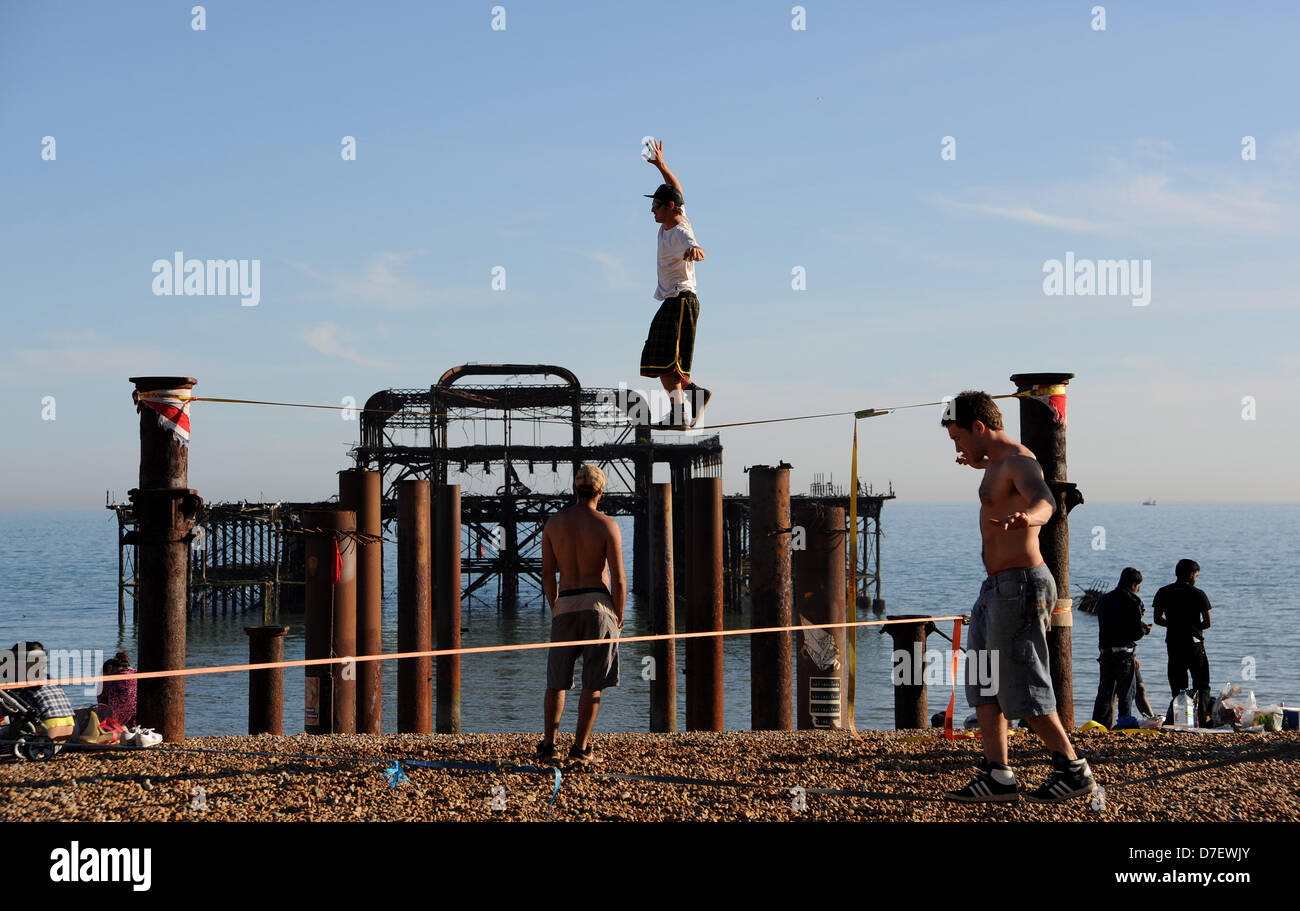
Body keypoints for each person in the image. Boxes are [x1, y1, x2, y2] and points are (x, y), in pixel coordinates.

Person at [941, 391, 1096, 802]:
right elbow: (985, 466)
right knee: (984, 678)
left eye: (958, 438)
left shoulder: (1019, 462)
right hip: (995, 587)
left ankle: (1072, 768)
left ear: (979, 427)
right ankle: (998, 774)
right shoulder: (993, 462)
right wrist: (973, 460)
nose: (957, 448)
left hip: (1021, 584)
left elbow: (1044, 497)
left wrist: (1032, 517)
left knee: (1022, 682)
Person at [536, 465, 626, 764]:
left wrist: (555, 606)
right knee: (593, 682)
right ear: (601, 491)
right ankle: (581, 747)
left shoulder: (553, 524)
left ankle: (549, 745)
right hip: (598, 605)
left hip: (566, 604)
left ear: (575, 489)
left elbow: (548, 575)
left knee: (556, 681)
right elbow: (619, 578)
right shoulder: (606, 525)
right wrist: (619, 615)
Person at [640, 139, 710, 429]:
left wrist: (696, 252)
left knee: (667, 361)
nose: (652, 211)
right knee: (656, 359)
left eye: (656, 205)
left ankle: (681, 412)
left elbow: (699, 249)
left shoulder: (681, 231)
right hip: (671, 301)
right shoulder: (670, 219)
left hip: (682, 300)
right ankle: (692, 396)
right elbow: (676, 187)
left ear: (670, 207)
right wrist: (662, 166)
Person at [1153, 558, 1213, 724]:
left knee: (1178, 684)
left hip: (1173, 642)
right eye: (1197, 575)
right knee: (1201, 683)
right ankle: (1201, 718)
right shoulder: (1198, 593)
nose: (1196, 579)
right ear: (1191, 574)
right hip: (1194, 643)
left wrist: (1172, 626)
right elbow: (1208, 622)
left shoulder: (1163, 592)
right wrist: (1193, 628)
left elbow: (1157, 619)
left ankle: (1181, 719)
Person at [1091, 567, 1151, 727]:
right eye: (1138, 586)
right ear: (1134, 584)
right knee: (1126, 694)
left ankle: (1099, 725)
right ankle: (1123, 724)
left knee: (1105, 693)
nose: (1138, 590)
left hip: (1105, 652)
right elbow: (1136, 633)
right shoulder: (1134, 601)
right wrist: (1145, 629)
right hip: (1124, 655)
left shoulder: (1104, 599)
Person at [99, 651, 138, 727]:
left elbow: (102, 706)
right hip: (138, 718)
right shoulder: (137, 673)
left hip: (117, 723)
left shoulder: (108, 681)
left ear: (109, 669)